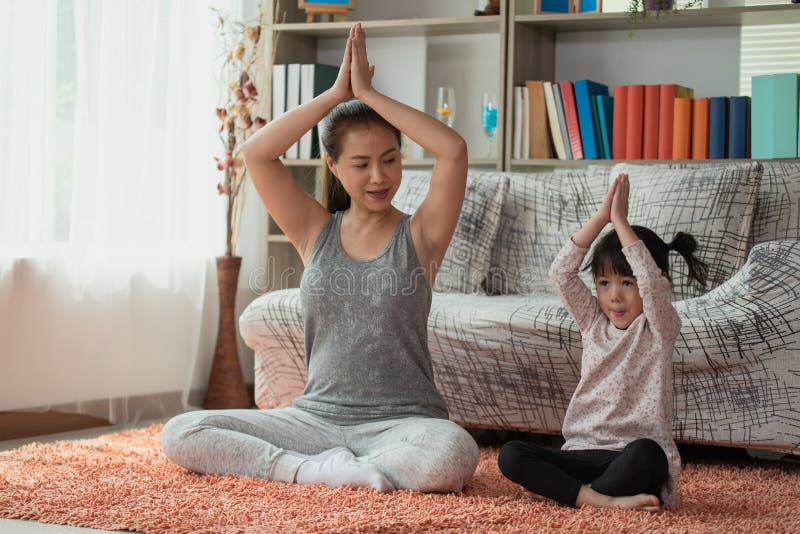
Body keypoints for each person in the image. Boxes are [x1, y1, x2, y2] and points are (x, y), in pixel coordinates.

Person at [162, 23, 478, 493]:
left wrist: (369, 94)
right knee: (181, 432)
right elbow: (256, 154)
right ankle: (311, 471)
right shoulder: (315, 231)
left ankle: (332, 469)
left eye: (390, 159)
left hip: (403, 425)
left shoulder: (421, 235)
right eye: (361, 163)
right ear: (332, 164)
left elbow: (452, 150)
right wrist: (335, 95)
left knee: (454, 452)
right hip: (314, 422)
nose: (379, 176)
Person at [498, 174, 708, 511]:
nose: (615, 296)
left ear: (657, 282)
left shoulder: (659, 328)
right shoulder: (593, 322)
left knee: (649, 454)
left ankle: (570, 494)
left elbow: (651, 284)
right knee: (511, 455)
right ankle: (599, 500)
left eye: (628, 282)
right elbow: (561, 274)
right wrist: (601, 218)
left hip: (630, 456)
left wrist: (620, 222)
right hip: (582, 451)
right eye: (604, 283)